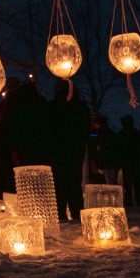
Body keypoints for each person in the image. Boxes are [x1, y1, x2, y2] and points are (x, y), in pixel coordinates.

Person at [47, 80, 89, 221]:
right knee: (75, 183)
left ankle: (61, 216)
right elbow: (86, 129)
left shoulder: (53, 106)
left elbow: (49, 129)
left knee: (59, 184)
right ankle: (78, 215)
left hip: (57, 151)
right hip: (76, 150)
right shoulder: (81, 106)